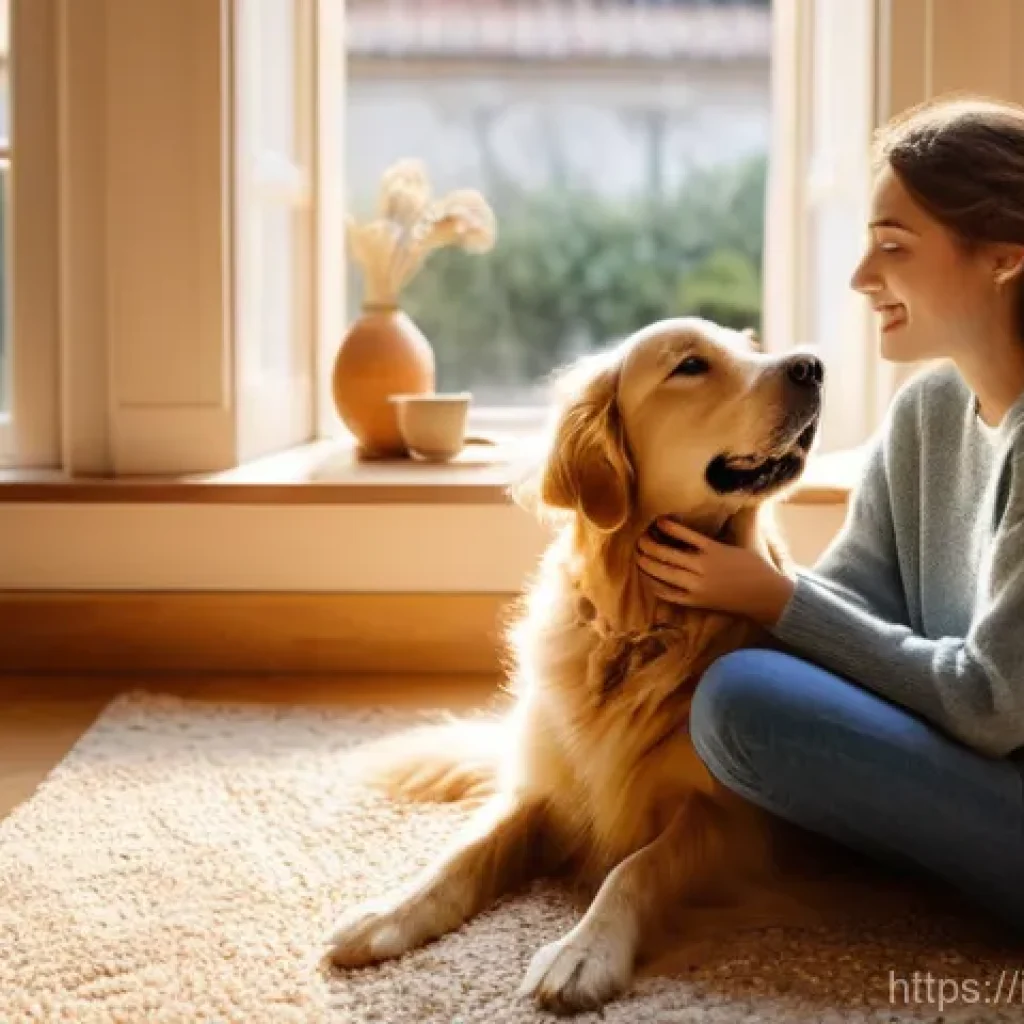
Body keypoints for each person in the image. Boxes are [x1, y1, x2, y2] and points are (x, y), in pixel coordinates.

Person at [635, 94, 1024, 935]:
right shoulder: (927, 413)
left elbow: (991, 707)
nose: (860, 277)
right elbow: (848, 602)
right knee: (745, 689)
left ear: (1003, 258)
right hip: (975, 774)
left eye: (893, 246)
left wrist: (771, 596)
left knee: (742, 706)